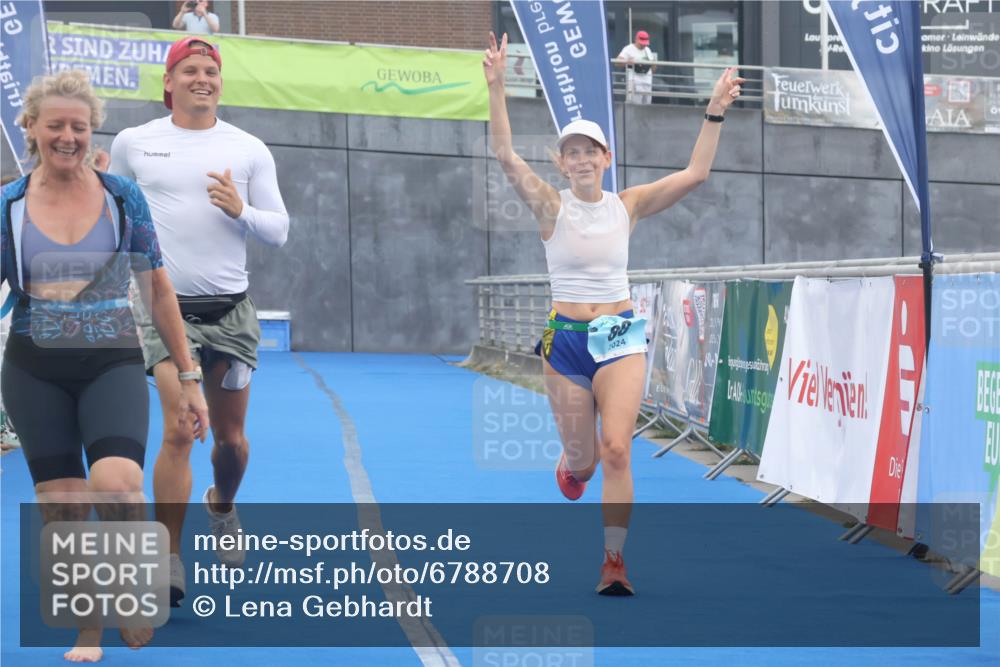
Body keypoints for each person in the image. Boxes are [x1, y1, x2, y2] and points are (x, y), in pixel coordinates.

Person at [483, 32, 743, 595]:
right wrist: (497, 86)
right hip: (566, 339)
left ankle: (614, 561)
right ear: (561, 161)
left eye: (589, 151)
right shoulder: (550, 205)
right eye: (570, 151)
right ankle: (571, 466)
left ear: (606, 159)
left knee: (618, 448)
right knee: (584, 465)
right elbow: (505, 155)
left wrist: (714, 111)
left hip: (619, 333)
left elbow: (694, 175)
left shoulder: (628, 205)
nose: (579, 159)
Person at [0, 69, 209, 662]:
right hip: (33, 367)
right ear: (32, 130)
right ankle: (88, 629)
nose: (68, 136)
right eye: (55, 125)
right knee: (62, 506)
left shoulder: (122, 196)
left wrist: (188, 375)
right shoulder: (8, 205)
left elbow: (159, 290)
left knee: (116, 484)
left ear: (92, 131)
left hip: (111, 359)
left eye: (79, 126)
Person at [109, 36, 289, 607]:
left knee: (231, 443)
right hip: (164, 310)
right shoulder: (134, 143)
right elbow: (113, 218)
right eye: (190, 70)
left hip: (231, 313)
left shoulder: (248, 148)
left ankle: (222, 503)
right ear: (168, 82)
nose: (202, 79)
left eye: (211, 70)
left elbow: (279, 230)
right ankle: (168, 559)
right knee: (181, 428)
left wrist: (243, 211)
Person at [617, 30, 656, 104]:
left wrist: (653, 65)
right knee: (635, 105)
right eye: (641, 44)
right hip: (634, 81)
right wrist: (627, 62)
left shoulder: (647, 50)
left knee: (647, 104)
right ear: (636, 39)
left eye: (645, 44)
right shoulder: (628, 49)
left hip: (647, 81)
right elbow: (618, 62)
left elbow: (653, 65)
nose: (643, 46)